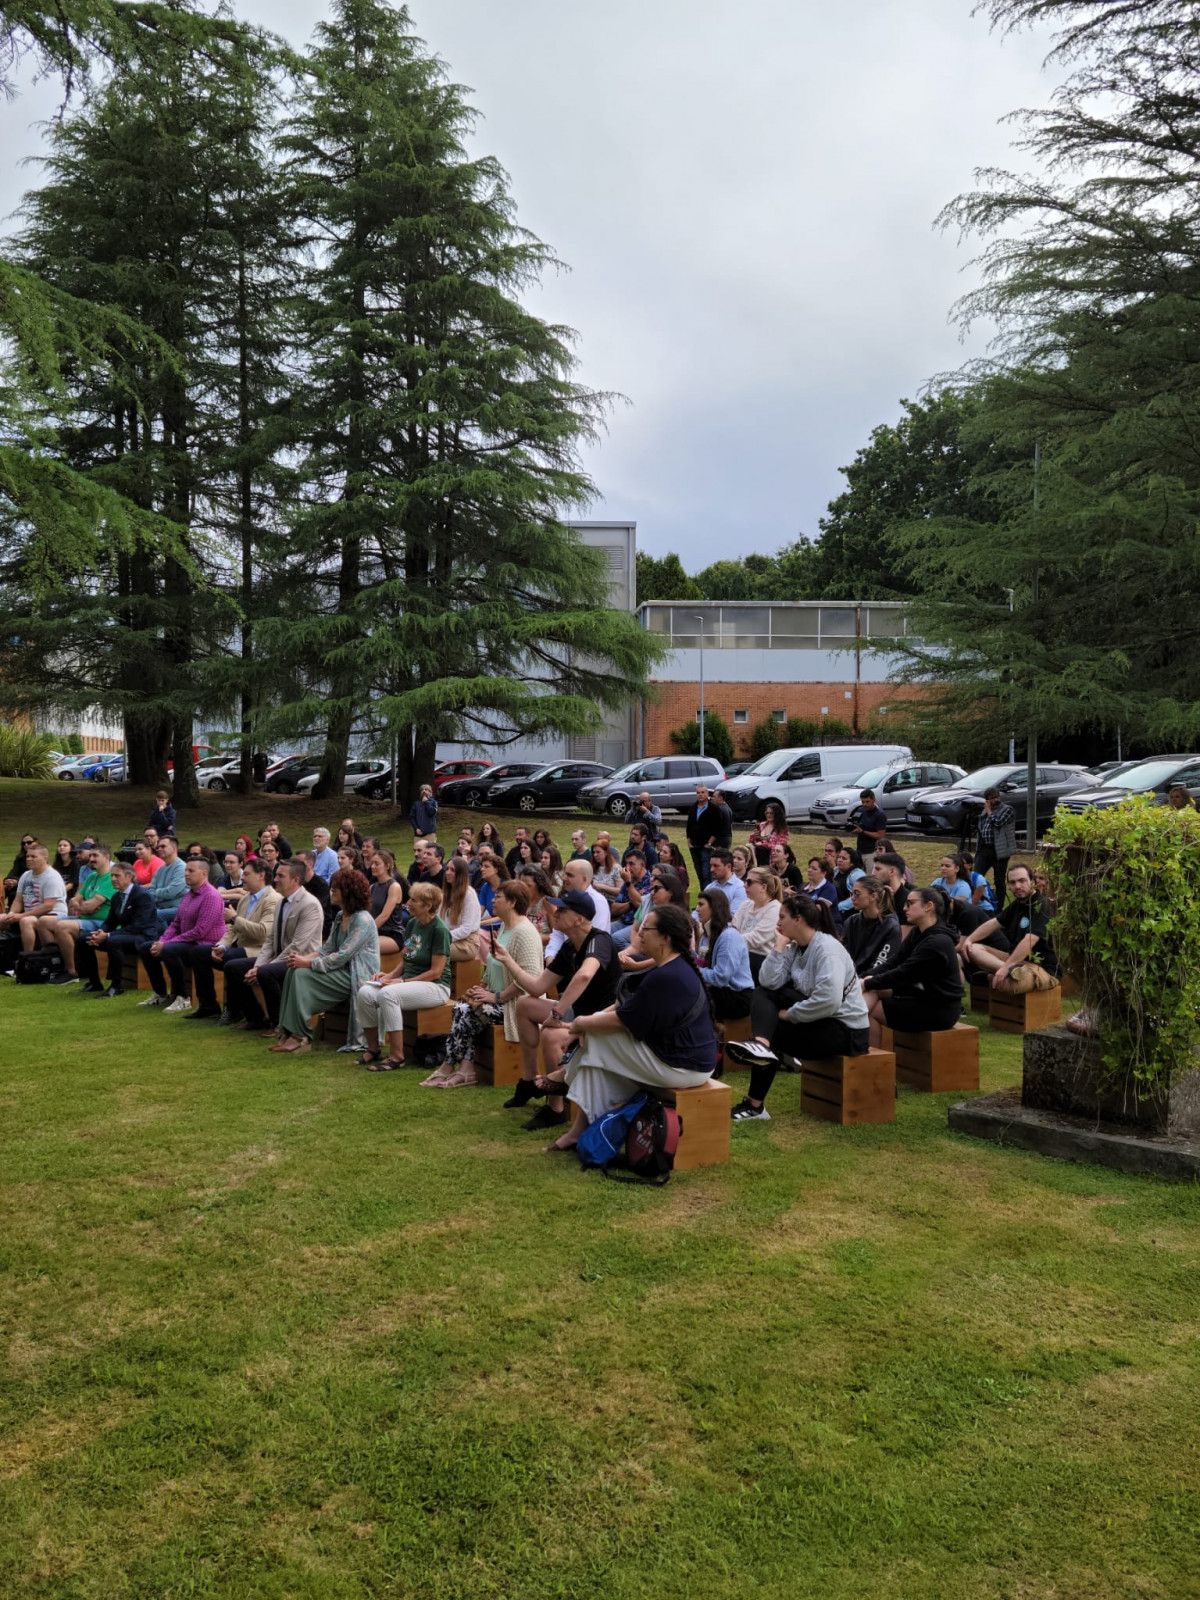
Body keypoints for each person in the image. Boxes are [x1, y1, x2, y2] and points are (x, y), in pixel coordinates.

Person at [548, 903, 718, 1153]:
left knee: (597, 1041)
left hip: (684, 1067)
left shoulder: (667, 976)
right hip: (685, 1060)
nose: (639, 933)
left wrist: (580, 1024)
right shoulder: (670, 968)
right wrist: (584, 1024)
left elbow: (621, 1021)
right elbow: (624, 1009)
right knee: (598, 1051)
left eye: (646, 929)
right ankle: (580, 1129)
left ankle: (565, 1078)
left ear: (665, 938)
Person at [726, 894, 869, 1121]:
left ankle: (755, 1105)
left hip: (845, 1030)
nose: (778, 922)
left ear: (798, 919)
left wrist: (790, 1015)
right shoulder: (794, 946)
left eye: (782, 917)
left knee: (773, 1027)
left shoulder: (827, 950)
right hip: (820, 1020)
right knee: (764, 993)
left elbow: (829, 1001)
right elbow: (768, 982)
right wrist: (778, 947)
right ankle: (760, 1046)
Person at [492, 888, 621, 1132]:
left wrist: (558, 1012)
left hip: (603, 1020)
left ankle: (555, 1109)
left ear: (579, 918)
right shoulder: (570, 947)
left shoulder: (599, 940)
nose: (556, 913)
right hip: (579, 1015)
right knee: (525, 1005)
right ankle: (530, 1080)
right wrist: (507, 959)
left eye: (562, 910)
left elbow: (584, 975)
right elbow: (537, 986)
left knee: (550, 1035)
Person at [421, 879, 545, 1089]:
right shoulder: (506, 926)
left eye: (498, 897)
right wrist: (483, 989)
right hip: (499, 998)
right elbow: (494, 965)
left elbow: (530, 980)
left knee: (464, 1009)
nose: (492, 900)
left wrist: (497, 997)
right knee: (465, 1005)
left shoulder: (525, 932)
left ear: (513, 902)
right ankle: (464, 1069)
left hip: (519, 1007)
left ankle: (450, 1067)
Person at [273, 869, 380, 1053]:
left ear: (347, 892)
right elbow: (327, 949)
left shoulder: (363, 920)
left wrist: (308, 964)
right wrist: (302, 959)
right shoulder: (340, 917)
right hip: (340, 971)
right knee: (293, 971)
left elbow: (343, 955)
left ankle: (300, 1035)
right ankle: (288, 1031)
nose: (331, 892)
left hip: (356, 976)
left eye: (335, 889)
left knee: (301, 976)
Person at [355, 881, 451, 1069]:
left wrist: (401, 982)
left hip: (436, 987)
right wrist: (388, 976)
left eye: (414, 900)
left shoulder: (440, 930)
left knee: (388, 994)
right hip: (409, 982)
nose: (408, 903)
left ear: (428, 906)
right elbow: (407, 959)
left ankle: (397, 1056)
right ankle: (373, 1048)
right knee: (365, 993)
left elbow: (436, 972)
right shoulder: (413, 923)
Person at [226, 858, 324, 1030]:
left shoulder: (310, 905)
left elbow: (297, 946)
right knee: (234, 967)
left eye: (280, 876)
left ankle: (280, 1022)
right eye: (276, 875)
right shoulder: (281, 901)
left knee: (266, 973)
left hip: (300, 960)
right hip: (278, 957)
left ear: (295, 880)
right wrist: (258, 965)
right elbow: (270, 940)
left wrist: (264, 968)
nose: (275, 879)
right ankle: (256, 1019)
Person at [861, 886, 965, 1047]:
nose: (904, 908)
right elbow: (893, 962)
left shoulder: (937, 943)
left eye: (910, 903)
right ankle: (851, 1019)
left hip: (939, 1009)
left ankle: (871, 1061)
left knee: (872, 1011)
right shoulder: (918, 932)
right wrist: (863, 978)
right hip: (920, 994)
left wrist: (867, 982)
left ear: (928, 906)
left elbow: (904, 973)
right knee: (874, 989)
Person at [136, 857, 228, 1013]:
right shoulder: (188, 895)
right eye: (186, 870)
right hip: (188, 941)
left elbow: (201, 931)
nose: (186, 874)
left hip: (204, 943)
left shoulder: (211, 896)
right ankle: (161, 993)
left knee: (169, 950)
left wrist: (167, 944)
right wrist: (163, 940)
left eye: (191, 871)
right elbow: (176, 924)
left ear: (204, 873)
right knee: (147, 948)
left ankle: (183, 997)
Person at [957, 862, 1061, 992]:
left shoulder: (1042, 906)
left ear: (1032, 881)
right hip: (1017, 963)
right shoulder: (1017, 904)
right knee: (973, 948)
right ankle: (1011, 971)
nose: (1017, 886)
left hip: (1042, 969)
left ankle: (992, 975)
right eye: (1012, 882)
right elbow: (993, 923)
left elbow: (1030, 940)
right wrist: (970, 940)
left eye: (1022, 881)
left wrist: (1006, 967)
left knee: (1009, 985)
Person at [211, 857, 280, 1025]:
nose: (242, 878)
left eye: (247, 874)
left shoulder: (273, 899)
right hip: (244, 946)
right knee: (211, 955)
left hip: (260, 949)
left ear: (261, 875)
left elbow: (262, 933)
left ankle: (240, 1011)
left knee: (232, 964)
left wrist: (234, 918)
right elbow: (233, 930)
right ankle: (228, 1009)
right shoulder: (246, 898)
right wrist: (222, 945)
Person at [74, 860, 158, 996]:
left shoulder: (142, 896)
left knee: (114, 941)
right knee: (84, 939)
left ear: (129, 877)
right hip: (126, 934)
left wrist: (107, 936)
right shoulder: (116, 897)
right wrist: (101, 932)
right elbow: (110, 921)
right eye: (112, 875)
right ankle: (94, 982)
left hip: (142, 936)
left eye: (117, 876)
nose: (113, 879)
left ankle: (116, 985)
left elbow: (138, 926)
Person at [39, 842, 116, 984]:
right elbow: (74, 900)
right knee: (43, 921)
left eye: (95, 855)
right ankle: (56, 962)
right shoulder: (92, 876)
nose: (91, 859)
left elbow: (86, 905)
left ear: (106, 857)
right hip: (86, 917)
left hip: (102, 923)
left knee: (63, 926)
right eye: (91, 855)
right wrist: (85, 906)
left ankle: (71, 972)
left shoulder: (111, 878)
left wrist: (85, 906)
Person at [0, 842, 67, 958]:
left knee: (26, 921)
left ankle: (27, 959)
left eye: (33, 856)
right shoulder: (26, 875)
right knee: (1, 918)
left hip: (52, 915)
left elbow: (49, 906)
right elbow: (18, 900)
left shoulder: (52, 877)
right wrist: (11, 913)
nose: (29, 859)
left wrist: (21, 916)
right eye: (27, 856)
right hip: (31, 914)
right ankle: (4, 957)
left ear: (44, 858)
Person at [616, 867, 690, 973]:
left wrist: (636, 965)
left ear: (670, 892)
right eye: (651, 889)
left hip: (668, 968)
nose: (652, 893)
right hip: (647, 957)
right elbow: (635, 944)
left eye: (657, 889)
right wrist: (621, 956)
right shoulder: (652, 915)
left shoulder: (680, 921)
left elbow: (672, 957)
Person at [695, 887, 754, 1020]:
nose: (697, 909)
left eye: (701, 904)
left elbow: (720, 977)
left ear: (714, 908)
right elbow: (702, 966)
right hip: (720, 991)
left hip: (737, 997)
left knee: (691, 998)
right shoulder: (706, 935)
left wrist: (692, 970)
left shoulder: (729, 936)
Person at [840, 876, 901, 977]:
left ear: (873, 896)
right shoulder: (851, 922)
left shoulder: (891, 927)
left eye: (857, 893)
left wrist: (856, 982)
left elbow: (880, 964)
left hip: (873, 982)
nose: (852, 897)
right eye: (852, 893)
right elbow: (842, 954)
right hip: (849, 978)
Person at [734, 868, 783, 981]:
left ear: (763, 887)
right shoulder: (746, 905)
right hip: (742, 955)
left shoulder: (775, 909)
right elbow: (733, 929)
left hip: (760, 962)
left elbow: (755, 939)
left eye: (749, 882)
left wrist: (730, 942)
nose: (745, 885)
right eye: (746, 881)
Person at [975, 787, 1017, 910]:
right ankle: (978, 901)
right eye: (992, 798)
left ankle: (999, 909)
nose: (996, 800)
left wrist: (988, 811)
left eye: (997, 797)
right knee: (976, 875)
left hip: (999, 850)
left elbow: (998, 822)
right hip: (984, 849)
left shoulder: (1008, 810)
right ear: (987, 800)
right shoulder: (985, 812)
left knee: (999, 880)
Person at [368, 848, 408, 956]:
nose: (372, 867)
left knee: (364, 946)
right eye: (372, 863)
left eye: (377, 864)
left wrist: (366, 932)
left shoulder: (393, 886)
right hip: (376, 932)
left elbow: (384, 916)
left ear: (387, 866)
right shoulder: (372, 887)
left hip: (392, 934)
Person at [442, 853, 482, 963]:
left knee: (435, 950)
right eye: (447, 869)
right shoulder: (446, 894)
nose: (448, 873)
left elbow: (466, 929)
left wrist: (442, 937)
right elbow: (439, 920)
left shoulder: (469, 894)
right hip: (448, 940)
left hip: (467, 943)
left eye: (452, 870)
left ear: (460, 874)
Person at [609, 851, 651, 950]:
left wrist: (628, 883)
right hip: (623, 922)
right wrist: (631, 902)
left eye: (631, 864)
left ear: (642, 865)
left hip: (639, 925)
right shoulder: (630, 881)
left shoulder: (650, 882)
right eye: (626, 864)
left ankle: (639, 956)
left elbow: (640, 905)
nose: (627, 867)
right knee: (602, 932)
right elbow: (614, 909)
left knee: (617, 939)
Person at [685, 784, 724, 889]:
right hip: (694, 846)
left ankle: (708, 895)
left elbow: (718, 828)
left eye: (703, 792)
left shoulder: (714, 809)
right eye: (698, 793)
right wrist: (689, 842)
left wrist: (710, 842)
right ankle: (703, 893)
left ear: (707, 794)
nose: (700, 795)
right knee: (699, 873)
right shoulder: (693, 808)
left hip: (706, 847)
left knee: (707, 873)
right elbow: (689, 826)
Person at [149, 836, 186, 933]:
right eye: (158, 847)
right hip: (161, 906)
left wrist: (158, 893)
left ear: (174, 848)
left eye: (163, 846)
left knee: (157, 915)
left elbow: (171, 892)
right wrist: (161, 893)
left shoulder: (181, 868)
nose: (159, 849)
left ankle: (165, 942)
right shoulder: (160, 869)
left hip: (179, 908)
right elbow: (151, 892)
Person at [295, 850, 333, 939]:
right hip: (301, 921)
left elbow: (316, 908)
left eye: (299, 863)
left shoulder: (321, 885)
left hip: (320, 926)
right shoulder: (298, 883)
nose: (295, 867)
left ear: (310, 865)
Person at [854, 788, 888, 872]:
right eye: (862, 802)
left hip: (871, 852)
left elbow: (880, 835)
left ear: (873, 800)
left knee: (871, 878)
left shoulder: (880, 815)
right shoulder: (860, 810)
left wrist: (862, 832)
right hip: (859, 850)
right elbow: (856, 824)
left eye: (867, 801)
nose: (864, 804)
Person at [703, 849, 747, 914]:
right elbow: (698, 912)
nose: (711, 869)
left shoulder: (740, 888)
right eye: (711, 866)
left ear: (728, 866)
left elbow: (734, 917)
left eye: (716, 866)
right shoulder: (709, 888)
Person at [747, 801, 788, 867]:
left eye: (771, 813)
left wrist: (763, 844)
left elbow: (779, 848)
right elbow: (752, 841)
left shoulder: (782, 830)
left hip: (769, 860)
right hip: (755, 857)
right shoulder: (762, 825)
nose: (769, 815)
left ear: (777, 814)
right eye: (767, 813)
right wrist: (754, 837)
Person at [805, 856, 841, 927]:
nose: (809, 870)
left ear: (823, 873)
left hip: (829, 928)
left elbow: (816, 911)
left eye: (814, 869)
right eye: (809, 867)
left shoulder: (829, 888)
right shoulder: (803, 886)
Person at [3, 833, 36, 909]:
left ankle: (12, 916)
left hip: (31, 885)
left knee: (13, 894)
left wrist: (16, 881)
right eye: (23, 843)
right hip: (17, 883)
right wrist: (8, 880)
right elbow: (14, 870)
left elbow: (32, 875)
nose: (26, 845)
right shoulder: (20, 858)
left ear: (36, 842)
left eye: (29, 842)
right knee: (3, 888)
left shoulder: (39, 858)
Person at [834, 847, 866, 914]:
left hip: (849, 913)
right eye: (839, 857)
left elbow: (857, 896)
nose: (840, 860)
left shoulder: (857, 874)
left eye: (844, 858)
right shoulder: (835, 871)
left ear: (852, 863)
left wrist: (837, 907)